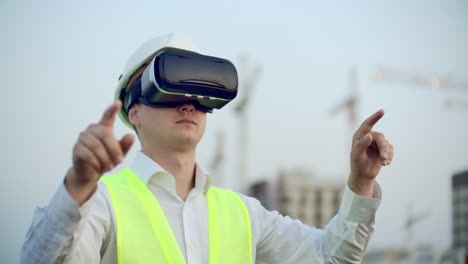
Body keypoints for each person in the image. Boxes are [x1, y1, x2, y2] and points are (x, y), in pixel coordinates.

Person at [21, 33, 393, 264]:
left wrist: (360, 182)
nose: (187, 104)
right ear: (133, 109)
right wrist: (78, 184)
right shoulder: (100, 205)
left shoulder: (245, 214)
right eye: (167, 88)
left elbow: (332, 257)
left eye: (199, 92)